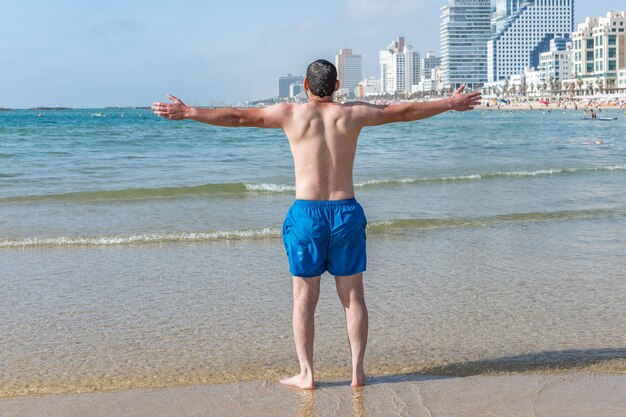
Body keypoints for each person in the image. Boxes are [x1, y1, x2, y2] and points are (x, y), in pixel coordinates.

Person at [151, 59, 481, 390]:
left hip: (306, 215)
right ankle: (357, 372)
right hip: (345, 212)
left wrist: (189, 112)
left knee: (303, 298)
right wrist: (450, 104)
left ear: (305, 87)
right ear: (337, 86)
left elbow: (236, 117)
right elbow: (405, 111)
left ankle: (307, 374)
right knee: (353, 296)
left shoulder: (290, 114)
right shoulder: (354, 113)